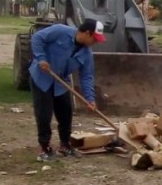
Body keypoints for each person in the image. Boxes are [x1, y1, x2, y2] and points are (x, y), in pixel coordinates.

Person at [28, 18, 106, 161]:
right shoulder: (60, 31)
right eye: (95, 39)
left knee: (66, 113)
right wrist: (41, 58)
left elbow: (86, 77)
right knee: (44, 114)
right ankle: (45, 148)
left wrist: (90, 99)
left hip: (60, 83)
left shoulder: (87, 54)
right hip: (42, 78)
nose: (96, 42)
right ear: (88, 33)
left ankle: (65, 145)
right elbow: (37, 38)